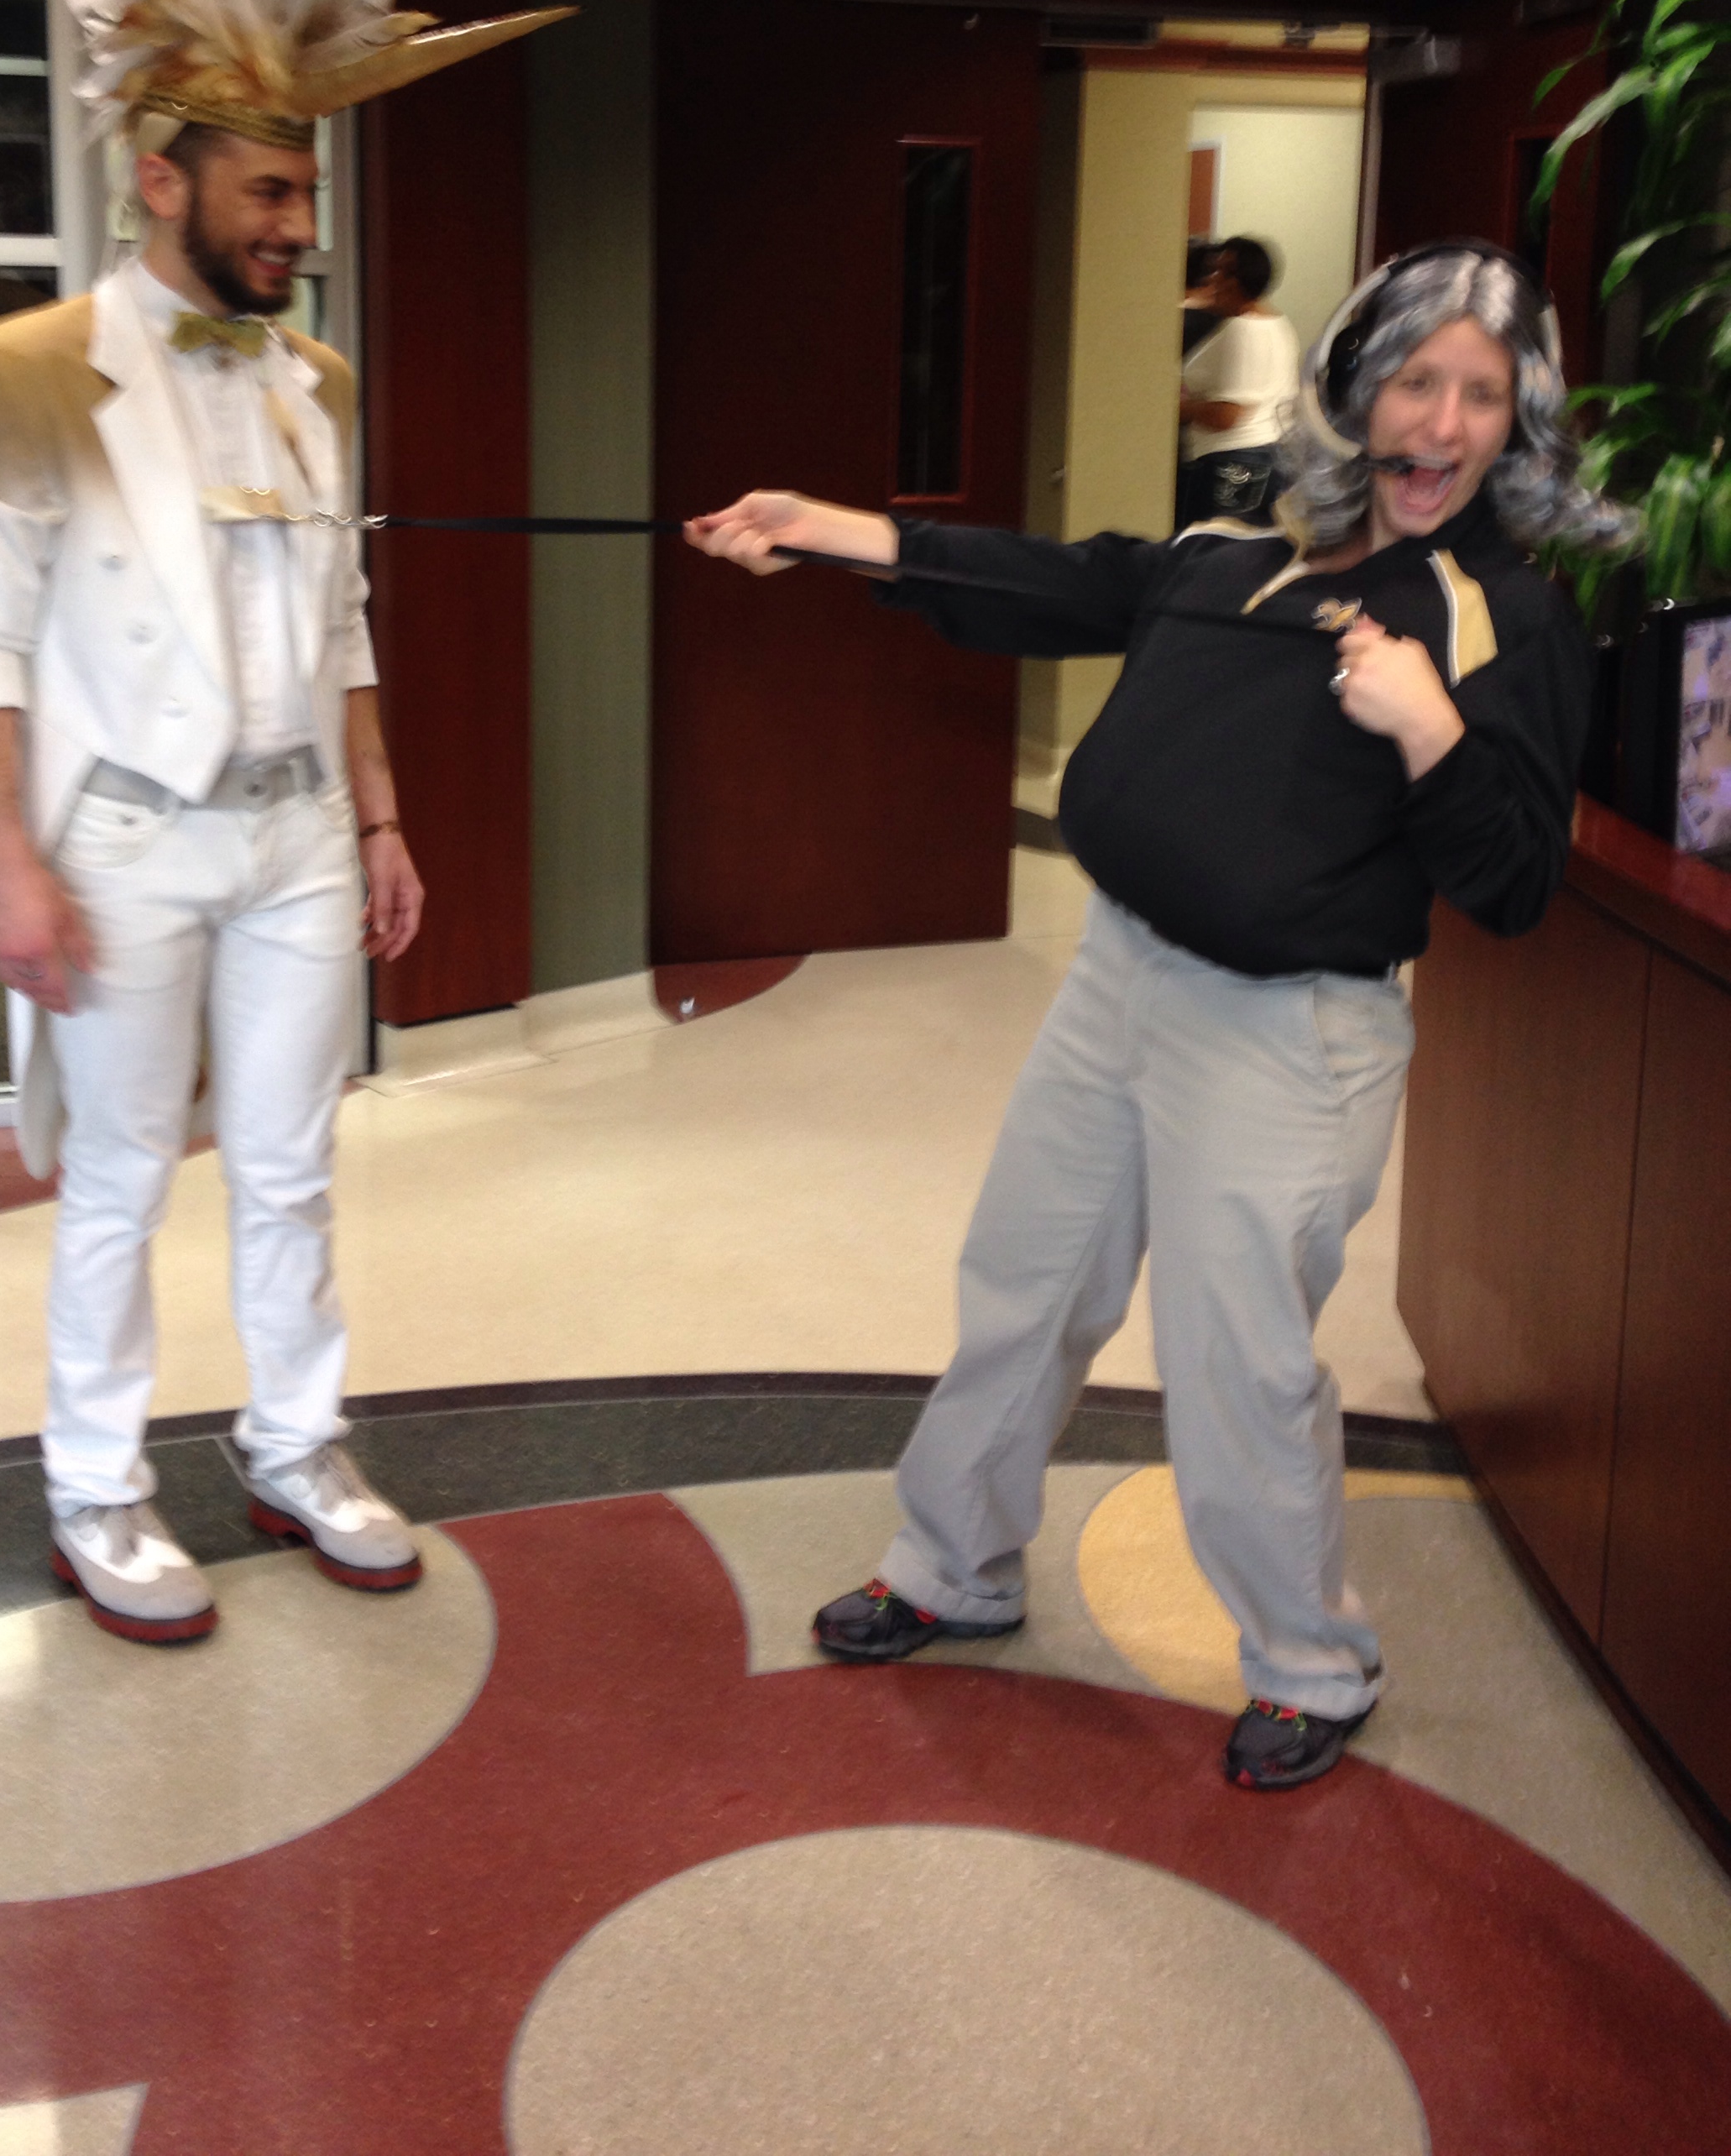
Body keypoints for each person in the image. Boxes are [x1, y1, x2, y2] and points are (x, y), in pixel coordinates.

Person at [687, 240, 1629, 1788]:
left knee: (1235, 1362)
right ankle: (953, 1564)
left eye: (1480, 394)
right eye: (1416, 382)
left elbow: (1514, 881)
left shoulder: (1502, 617)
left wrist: (1431, 732)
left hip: (1288, 1034)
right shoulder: (1240, 548)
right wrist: (830, 531)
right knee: (1025, 1281)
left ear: (1516, 421)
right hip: (1116, 978)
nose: (1443, 425)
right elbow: (1063, 581)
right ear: (1354, 392)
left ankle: (1310, 1662)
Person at [0, 0, 564, 1644]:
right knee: (122, 1181)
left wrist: (381, 815)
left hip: (294, 841)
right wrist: (8, 864)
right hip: (122, 842)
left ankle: (296, 1445)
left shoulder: (315, 378)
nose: (299, 227)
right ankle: (95, 1487)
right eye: (270, 193)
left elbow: (340, 612)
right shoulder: (20, 372)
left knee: (292, 1169)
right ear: (162, 177)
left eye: (307, 194)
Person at [1177, 234, 1299, 528]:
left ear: (1236, 281)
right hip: (1268, 456)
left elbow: (1227, 415)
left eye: (1219, 271)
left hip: (1234, 464)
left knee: (1213, 549)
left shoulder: (1243, 333)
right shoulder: (1275, 323)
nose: (1212, 279)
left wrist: (1179, 408)